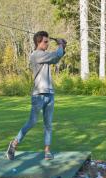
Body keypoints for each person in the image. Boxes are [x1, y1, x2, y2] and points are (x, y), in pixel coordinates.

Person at [6, 31, 66, 160]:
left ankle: (47, 151)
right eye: (45, 41)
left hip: (50, 94)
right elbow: (56, 55)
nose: (47, 44)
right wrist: (60, 45)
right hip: (38, 95)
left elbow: (56, 57)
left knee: (48, 124)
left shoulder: (45, 54)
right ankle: (14, 144)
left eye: (48, 41)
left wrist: (62, 47)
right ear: (38, 42)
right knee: (32, 122)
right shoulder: (36, 55)